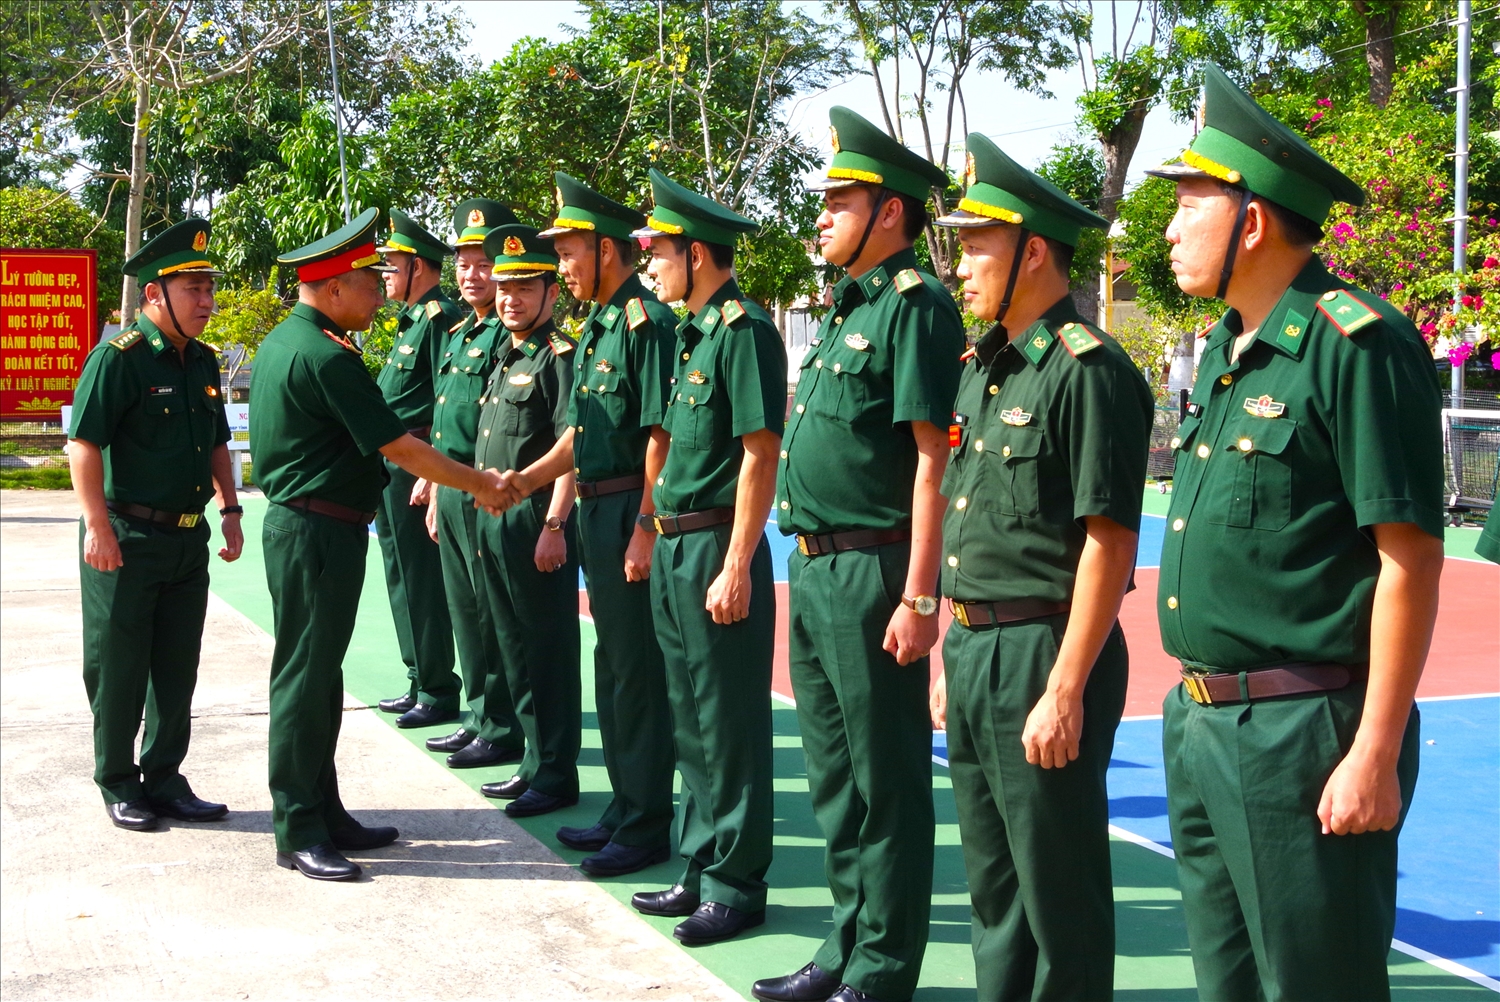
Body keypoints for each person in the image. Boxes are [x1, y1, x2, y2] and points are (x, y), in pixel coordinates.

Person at [1146, 64, 1445, 1000]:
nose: (1169, 228)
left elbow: (1410, 561)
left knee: (1317, 984)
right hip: (1202, 723)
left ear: (1253, 220)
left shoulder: (1354, 345)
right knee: (1227, 982)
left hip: (1303, 735)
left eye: (1189, 204)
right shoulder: (1237, 358)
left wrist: (1373, 752)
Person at [929, 135, 1153, 1001]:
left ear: (1032, 252)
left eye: (979, 245)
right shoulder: (986, 369)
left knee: (1057, 893)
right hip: (978, 649)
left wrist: (1064, 689)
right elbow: (972, 521)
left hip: (1045, 652)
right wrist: (954, 641)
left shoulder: (1086, 372)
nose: (962, 264)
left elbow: (1109, 541)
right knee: (994, 886)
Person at [753, 107, 961, 1002]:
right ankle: (843, 947)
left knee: (887, 786)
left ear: (890, 213)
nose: (823, 216)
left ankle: (882, 969)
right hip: (815, 564)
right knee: (835, 782)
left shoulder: (915, 309)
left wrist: (920, 600)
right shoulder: (848, 309)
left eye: (841, 202)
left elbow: (931, 460)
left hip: (876, 571)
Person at [248, 207, 514, 881]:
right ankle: (299, 827)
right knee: (305, 679)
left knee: (319, 675)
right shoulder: (325, 357)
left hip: (316, 528)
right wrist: (481, 482)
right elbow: (400, 446)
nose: (378, 290)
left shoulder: (292, 341)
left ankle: (323, 808)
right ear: (333, 285)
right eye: (369, 278)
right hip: (315, 533)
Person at [625, 170, 787, 946]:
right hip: (676, 542)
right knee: (689, 719)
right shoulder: (690, 335)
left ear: (698, 253)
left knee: (730, 725)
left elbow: (760, 454)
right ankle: (698, 864)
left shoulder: (745, 330)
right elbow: (665, 447)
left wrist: (737, 561)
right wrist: (650, 528)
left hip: (717, 545)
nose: (648, 263)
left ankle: (736, 882)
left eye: (658, 250)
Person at [504, 172, 678, 876]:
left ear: (609, 250)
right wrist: (524, 481)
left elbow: (662, 434)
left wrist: (645, 525)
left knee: (637, 671)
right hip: (596, 509)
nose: (563, 266)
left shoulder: (646, 323)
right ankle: (623, 805)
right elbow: (578, 434)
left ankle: (645, 824)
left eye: (571, 251)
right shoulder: (603, 325)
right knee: (612, 666)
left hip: (629, 507)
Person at [68, 218, 240, 832]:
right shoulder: (119, 360)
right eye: (192, 288)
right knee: (117, 663)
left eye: (207, 288)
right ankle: (118, 781)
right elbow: (83, 445)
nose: (206, 301)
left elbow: (218, 442)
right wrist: (97, 527)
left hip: (187, 538)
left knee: (175, 665)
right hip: (127, 537)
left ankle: (164, 777)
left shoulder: (203, 363)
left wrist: (232, 509)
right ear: (153, 295)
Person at [468, 223, 582, 819]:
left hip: (535, 522)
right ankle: (534, 762)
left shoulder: (558, 357)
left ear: (549, 294)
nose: (509, 297)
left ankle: (557, 772)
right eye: (504, 286)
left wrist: (555, 524)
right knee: (512, 645)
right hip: (494, 521)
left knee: (547, 650)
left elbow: (572, 443)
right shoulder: (502, 355)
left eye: (525, 286)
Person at [416, 198, 530, 770]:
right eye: (462, 262)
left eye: (482, 262)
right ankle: (479, 715)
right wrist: (436, 488)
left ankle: (503, 725)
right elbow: (446, 420)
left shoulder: (511, 339)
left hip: (489, 490)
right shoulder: (459, 334)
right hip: (454, 488)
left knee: (493, 614)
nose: (471, 273)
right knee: (464, 610)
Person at [372, 208, 466, 728]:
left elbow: (444, 402)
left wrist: (433, 470)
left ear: (420, 268)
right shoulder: (410, 321)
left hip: (417, 463)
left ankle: (437, 687)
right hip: (393, 463)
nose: (385, 274)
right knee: (400, 573)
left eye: (393, 265)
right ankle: (418, 677)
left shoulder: (439, 320)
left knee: (422, 579)